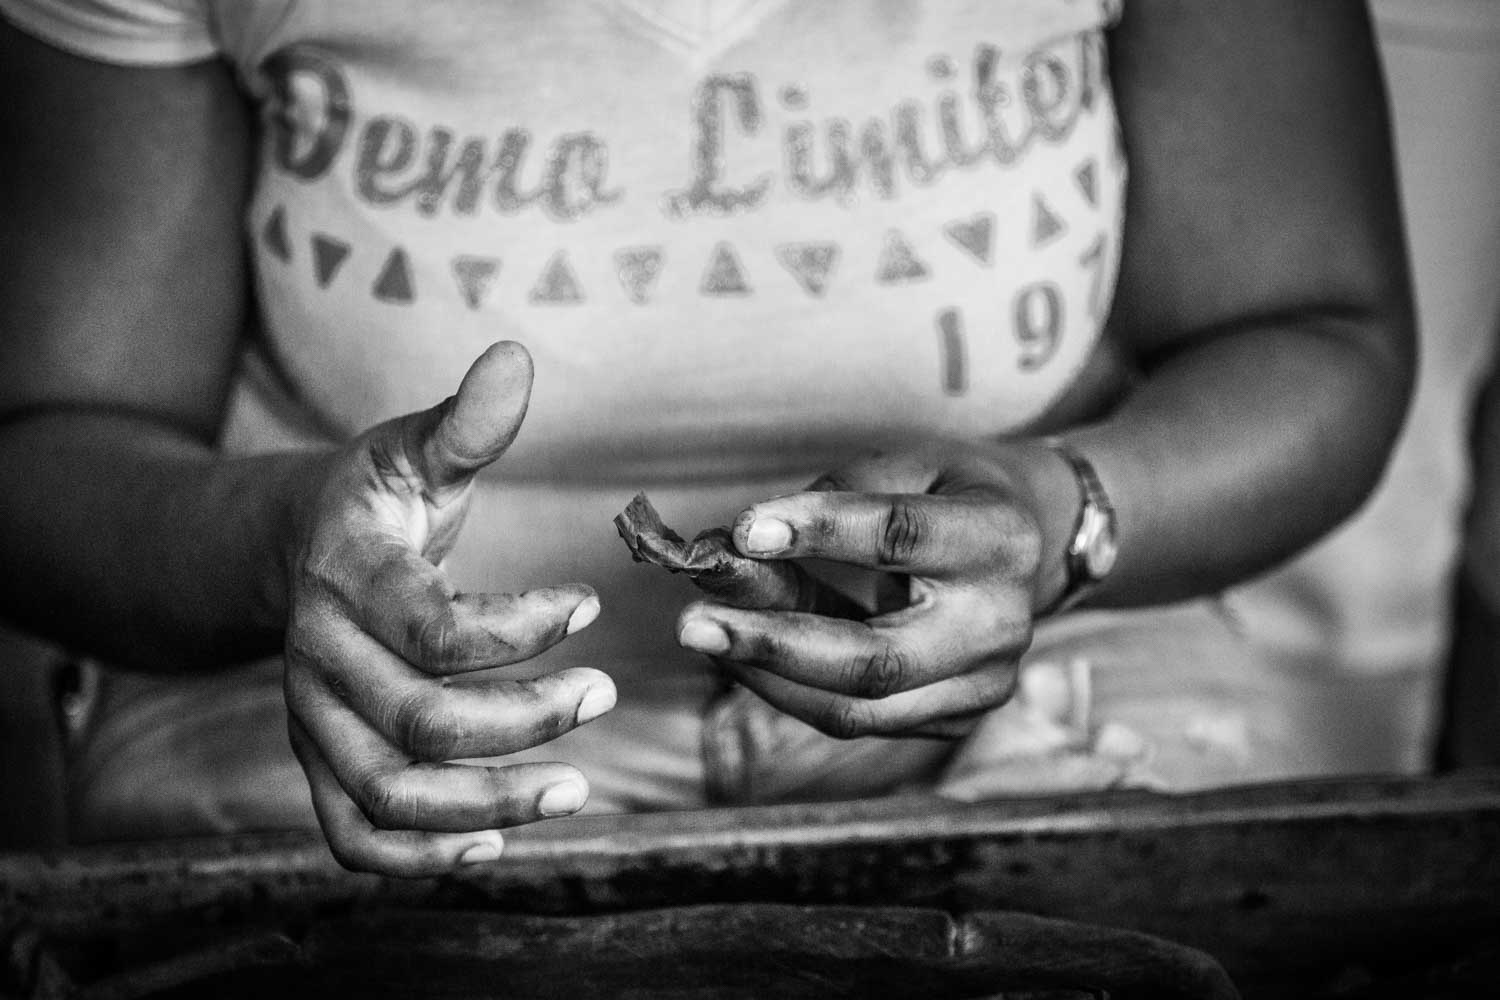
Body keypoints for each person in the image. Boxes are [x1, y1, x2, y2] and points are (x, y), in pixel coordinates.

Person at [0, 0, 1414, 877]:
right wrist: (287, 552)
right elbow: (47, 449)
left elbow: (1318, 331)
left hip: (1063, 658)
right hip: (359, 706)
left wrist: (1059, 518)